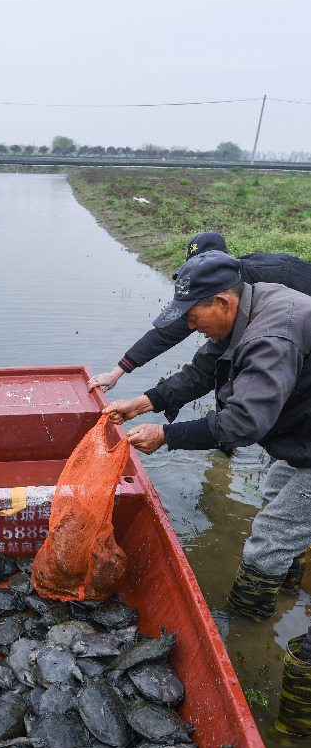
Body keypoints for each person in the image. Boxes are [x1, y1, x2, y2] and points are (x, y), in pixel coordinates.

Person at [101, 250, 311, 659]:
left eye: (193, 317)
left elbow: (242, 424)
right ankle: (285, 596)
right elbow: (200, 373)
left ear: (222, 302)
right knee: (275, 498)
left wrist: (166, 435)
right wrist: (142, 403)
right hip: (302, 428)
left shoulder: (271, 336)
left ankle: (247, 634)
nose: (191, 327)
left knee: (269, 540)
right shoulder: (245, 310)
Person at [89, 232, 311, 394]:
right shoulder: (205, 296)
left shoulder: (279, 272)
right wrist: (117, 372)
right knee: (222, 373)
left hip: (299, 341)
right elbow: (166, 333)